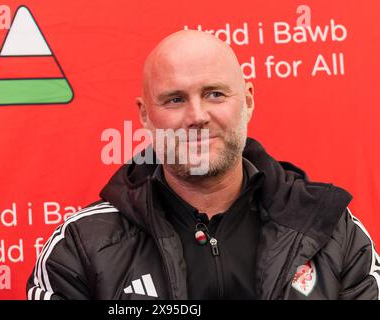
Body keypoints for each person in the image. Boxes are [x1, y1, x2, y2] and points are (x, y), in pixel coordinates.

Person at [26, 30, 380, 300]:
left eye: (215, 94)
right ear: (146, 116)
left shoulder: (331, 231)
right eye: (175, 99)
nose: (197, 116)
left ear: (249, 100)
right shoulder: (81, 245)